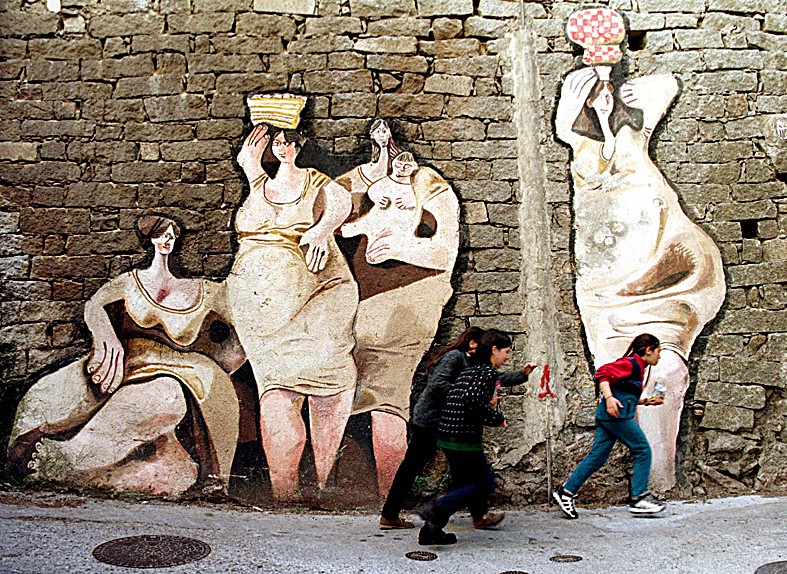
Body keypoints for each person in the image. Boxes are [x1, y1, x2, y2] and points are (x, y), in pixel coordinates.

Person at [555, 64, 725, 491]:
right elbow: (565, 130)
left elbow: (666, 84)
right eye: (595, 94)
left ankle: (657, 482)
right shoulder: (579, 142)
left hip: (667, 268)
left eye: (608, 91)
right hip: (607, 288)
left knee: (668, 372)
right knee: (620, 389)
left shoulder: (634, 130)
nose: (604, 98)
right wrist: (573, 106)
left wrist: (622, 82)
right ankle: (633, 487)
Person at [8, 215, 244, 496]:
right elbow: (95, 306)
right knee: (60, 393)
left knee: (160, 397)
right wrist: (106, 338)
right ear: (151, 240)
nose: (167, 240)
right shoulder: (130, 283)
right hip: (128, 362)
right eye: (161, 235)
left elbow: (244, 325)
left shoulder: (206, 291)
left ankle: (68, 458)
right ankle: (57, 455)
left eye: (171, 235)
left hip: (182, 370)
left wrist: (223, 365)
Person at [229, 124, 359, 501]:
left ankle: (322, 483)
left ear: (299, 147)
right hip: (263, 310)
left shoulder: (313, 181)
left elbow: (341, 200)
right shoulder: (259, 184)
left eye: (288, 143)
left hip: (317, 299)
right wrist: (249, 163)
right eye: (277, 143)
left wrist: (321, 230)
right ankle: (284, 492)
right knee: (277, 388)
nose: (282, 148)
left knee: (329, 383)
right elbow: (257, 198)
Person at [339, 150, 460, 497]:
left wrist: (401, 247)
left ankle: (389, 495)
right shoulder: (370, 199)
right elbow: (341, 220)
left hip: (397, 308)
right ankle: (383, 495)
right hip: (359, 310)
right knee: (368, 400)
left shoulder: (429, 189)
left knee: (384, 400)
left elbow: (445, 251)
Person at [380, 326, 535, 529]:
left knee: (465, 471)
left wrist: (522, 374)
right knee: (413, 467)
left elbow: (493, 378)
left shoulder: (474, 364)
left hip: (451, 421)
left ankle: (477, 515)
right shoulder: (455, 357)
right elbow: (438, 383)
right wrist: (465, 395)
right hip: (431, 420)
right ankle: (391, 514)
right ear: (473, 343)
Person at [418, 330, 536, 545]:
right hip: (463, 437)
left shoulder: (473, 369)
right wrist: (496, 418)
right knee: (484, 485)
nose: (507, 357)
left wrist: (522, 374)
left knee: (461, 484)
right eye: (506, 352)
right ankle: (436, 508)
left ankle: (431, 531)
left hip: (449, 433)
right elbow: (472, 401)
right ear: (494, 349)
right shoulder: (486, 373)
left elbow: (469, 394)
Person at [552, 333, 667, 519]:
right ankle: (638, 499)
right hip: (617, 417)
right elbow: (602, 373)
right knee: (642, 450)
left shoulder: (639, 367)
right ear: (648, 350)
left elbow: (625, 394)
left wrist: (647, 401)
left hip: (609, 417)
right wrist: (609, 398)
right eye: (658, 352)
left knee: (597, 457)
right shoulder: (631, 363)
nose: (659, 356)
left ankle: (566, 492)